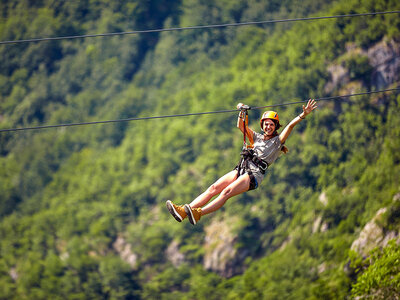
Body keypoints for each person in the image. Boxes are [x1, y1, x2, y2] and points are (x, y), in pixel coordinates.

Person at [166, 99, 317, 225]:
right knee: (213, 188)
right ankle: (183, 212)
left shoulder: (277, 142)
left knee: (226, 192)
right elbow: (241, 126)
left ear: (275, 126)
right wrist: (242, 112)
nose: (268, 126)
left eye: (271, 124)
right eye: (266, 124)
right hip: (242, 168)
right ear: (262, 125)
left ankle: (198, 213)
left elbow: (290, 126)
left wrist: (303, 115)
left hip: (254, 174)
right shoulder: (256, 137)